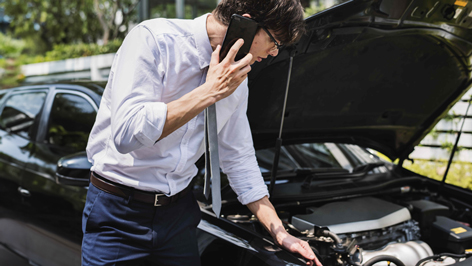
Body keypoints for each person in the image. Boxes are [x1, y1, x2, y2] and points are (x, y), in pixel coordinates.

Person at [83, 0, 322, 265]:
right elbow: (128, 134)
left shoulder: (236, 80)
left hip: (179, 215)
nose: (275, 53)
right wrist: (209, 92)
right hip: (117, 213)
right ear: (247, 24)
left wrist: (279, 231)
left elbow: (239, 159)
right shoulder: (153, 39)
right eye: (275, 42)